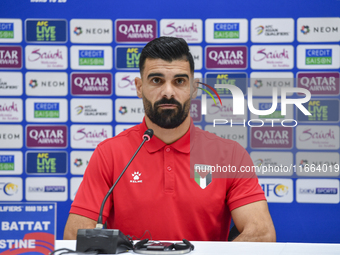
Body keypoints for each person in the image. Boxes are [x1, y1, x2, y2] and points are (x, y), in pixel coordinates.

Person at [64, 37, 276, 242]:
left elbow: (262, 235)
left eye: (179, 81)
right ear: (139, 87)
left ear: (193, 88)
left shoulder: (230, 155)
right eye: (157, 80)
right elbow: (75, 235)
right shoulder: (109, 153)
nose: (168, 92)